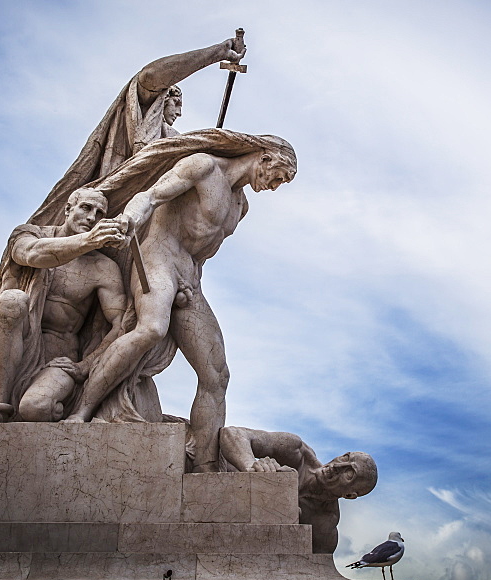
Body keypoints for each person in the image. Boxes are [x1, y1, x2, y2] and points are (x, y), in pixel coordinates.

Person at [60, 130, 297, 476]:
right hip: (158, 259)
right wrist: (129, 219)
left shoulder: (239, 206)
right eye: (278, 176)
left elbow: (200, 250)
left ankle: (203, 465)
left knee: (217, 374)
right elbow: (151, 196)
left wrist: (191, 278)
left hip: (189, 278)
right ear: (264, 157)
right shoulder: (203, 167)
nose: (275, 186)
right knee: (152, 328)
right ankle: (80, 411)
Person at [0, 188, 129, 425]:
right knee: (13, 300)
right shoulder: (28, 235)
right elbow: (31, 254)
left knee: (37, 408)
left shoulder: (103, 268)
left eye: (99, 213)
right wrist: (87, 241)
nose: (92, 218)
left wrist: (85, 365)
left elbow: (120, 325)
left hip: (59, 358)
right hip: (10, 349)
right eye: (86, 208)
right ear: (67, 209)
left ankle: (49, 402)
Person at [29, 34, 246, 228]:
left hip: (143, 218)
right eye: (176, 103)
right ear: (163, 99)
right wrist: (217, 53)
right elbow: (150, 75)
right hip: (105, 208)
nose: (179, 113)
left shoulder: (173, 140)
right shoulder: (140, 114)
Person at [218, 426, 378, 554]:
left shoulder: (324, 523)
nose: (337, 466)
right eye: (345, 458)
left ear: (349, 495)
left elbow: (313, 571)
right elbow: (232, 433)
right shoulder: (296, 452)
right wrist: (251, 467)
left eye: (349, 473)